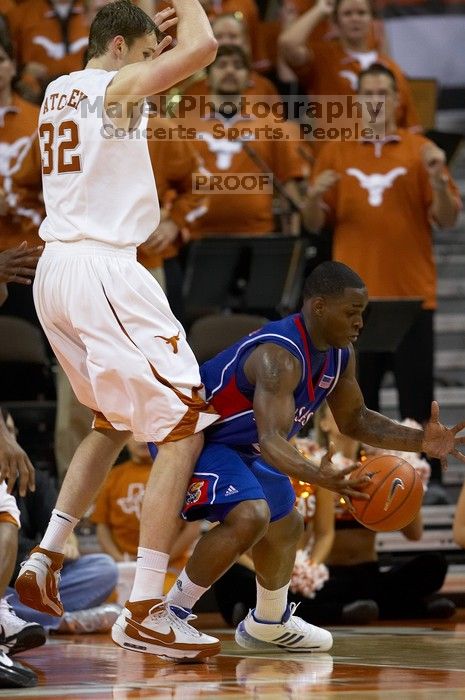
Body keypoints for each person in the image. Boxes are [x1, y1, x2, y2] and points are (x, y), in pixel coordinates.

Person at [14, 0, 220, 663]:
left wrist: (145, 58)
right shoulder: (116, 85)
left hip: (56, 273)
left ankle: (45, 558)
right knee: (185, 424)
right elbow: (205, 47)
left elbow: (125, 89)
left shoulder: (57, 88)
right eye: (143, 53)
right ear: (126, 48)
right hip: (106, 272)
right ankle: (145, 608)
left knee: (108, 419)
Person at [161, 261, 465, 652]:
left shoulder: (340, 355)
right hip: (194, 435)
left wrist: (423, 441)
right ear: (319, 306)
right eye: (352, 312)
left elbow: (355, 420)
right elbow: (272, 440)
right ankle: (171, 615)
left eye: (363, 313)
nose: (360, 322)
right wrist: (319, 475)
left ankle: (268, 622)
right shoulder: (278, 355)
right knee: (251, 515)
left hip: (239, 445)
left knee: (287, 523)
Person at [302, 63, 461, 469]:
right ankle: (359, 476)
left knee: (418, 399)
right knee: (357, 402)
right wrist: (312, 198)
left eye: (382, 94)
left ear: (396, 100)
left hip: (411, 297)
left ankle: (432, 480)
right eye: (367, 94)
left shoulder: (419, 150)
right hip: (352, 305)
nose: (375, 101)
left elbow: (446, 219)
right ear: (357, 102)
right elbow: (314, 224)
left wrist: (440, 182)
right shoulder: (336, 151)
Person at [278, 0, 420, 136]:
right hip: (337, 156)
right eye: (347, 14)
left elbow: (411, 128)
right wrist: (320, 10)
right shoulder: (322, 58)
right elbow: (288, 44)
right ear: (335, 22)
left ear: (371, 19)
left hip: (382, 156)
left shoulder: (391, 68)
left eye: (362, 13)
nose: (355, 19)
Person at [91, 437, 201, 603]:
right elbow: (102, 527)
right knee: (101, 595)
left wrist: (157, 562)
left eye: (148, 434)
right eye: (135, 435)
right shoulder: (112, 476)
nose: (141, 440)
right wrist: (122, 562)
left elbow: (192, 529)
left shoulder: (179, 473)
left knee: (163, 599)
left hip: (169, 567)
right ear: (125, 440)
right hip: (125, 565)